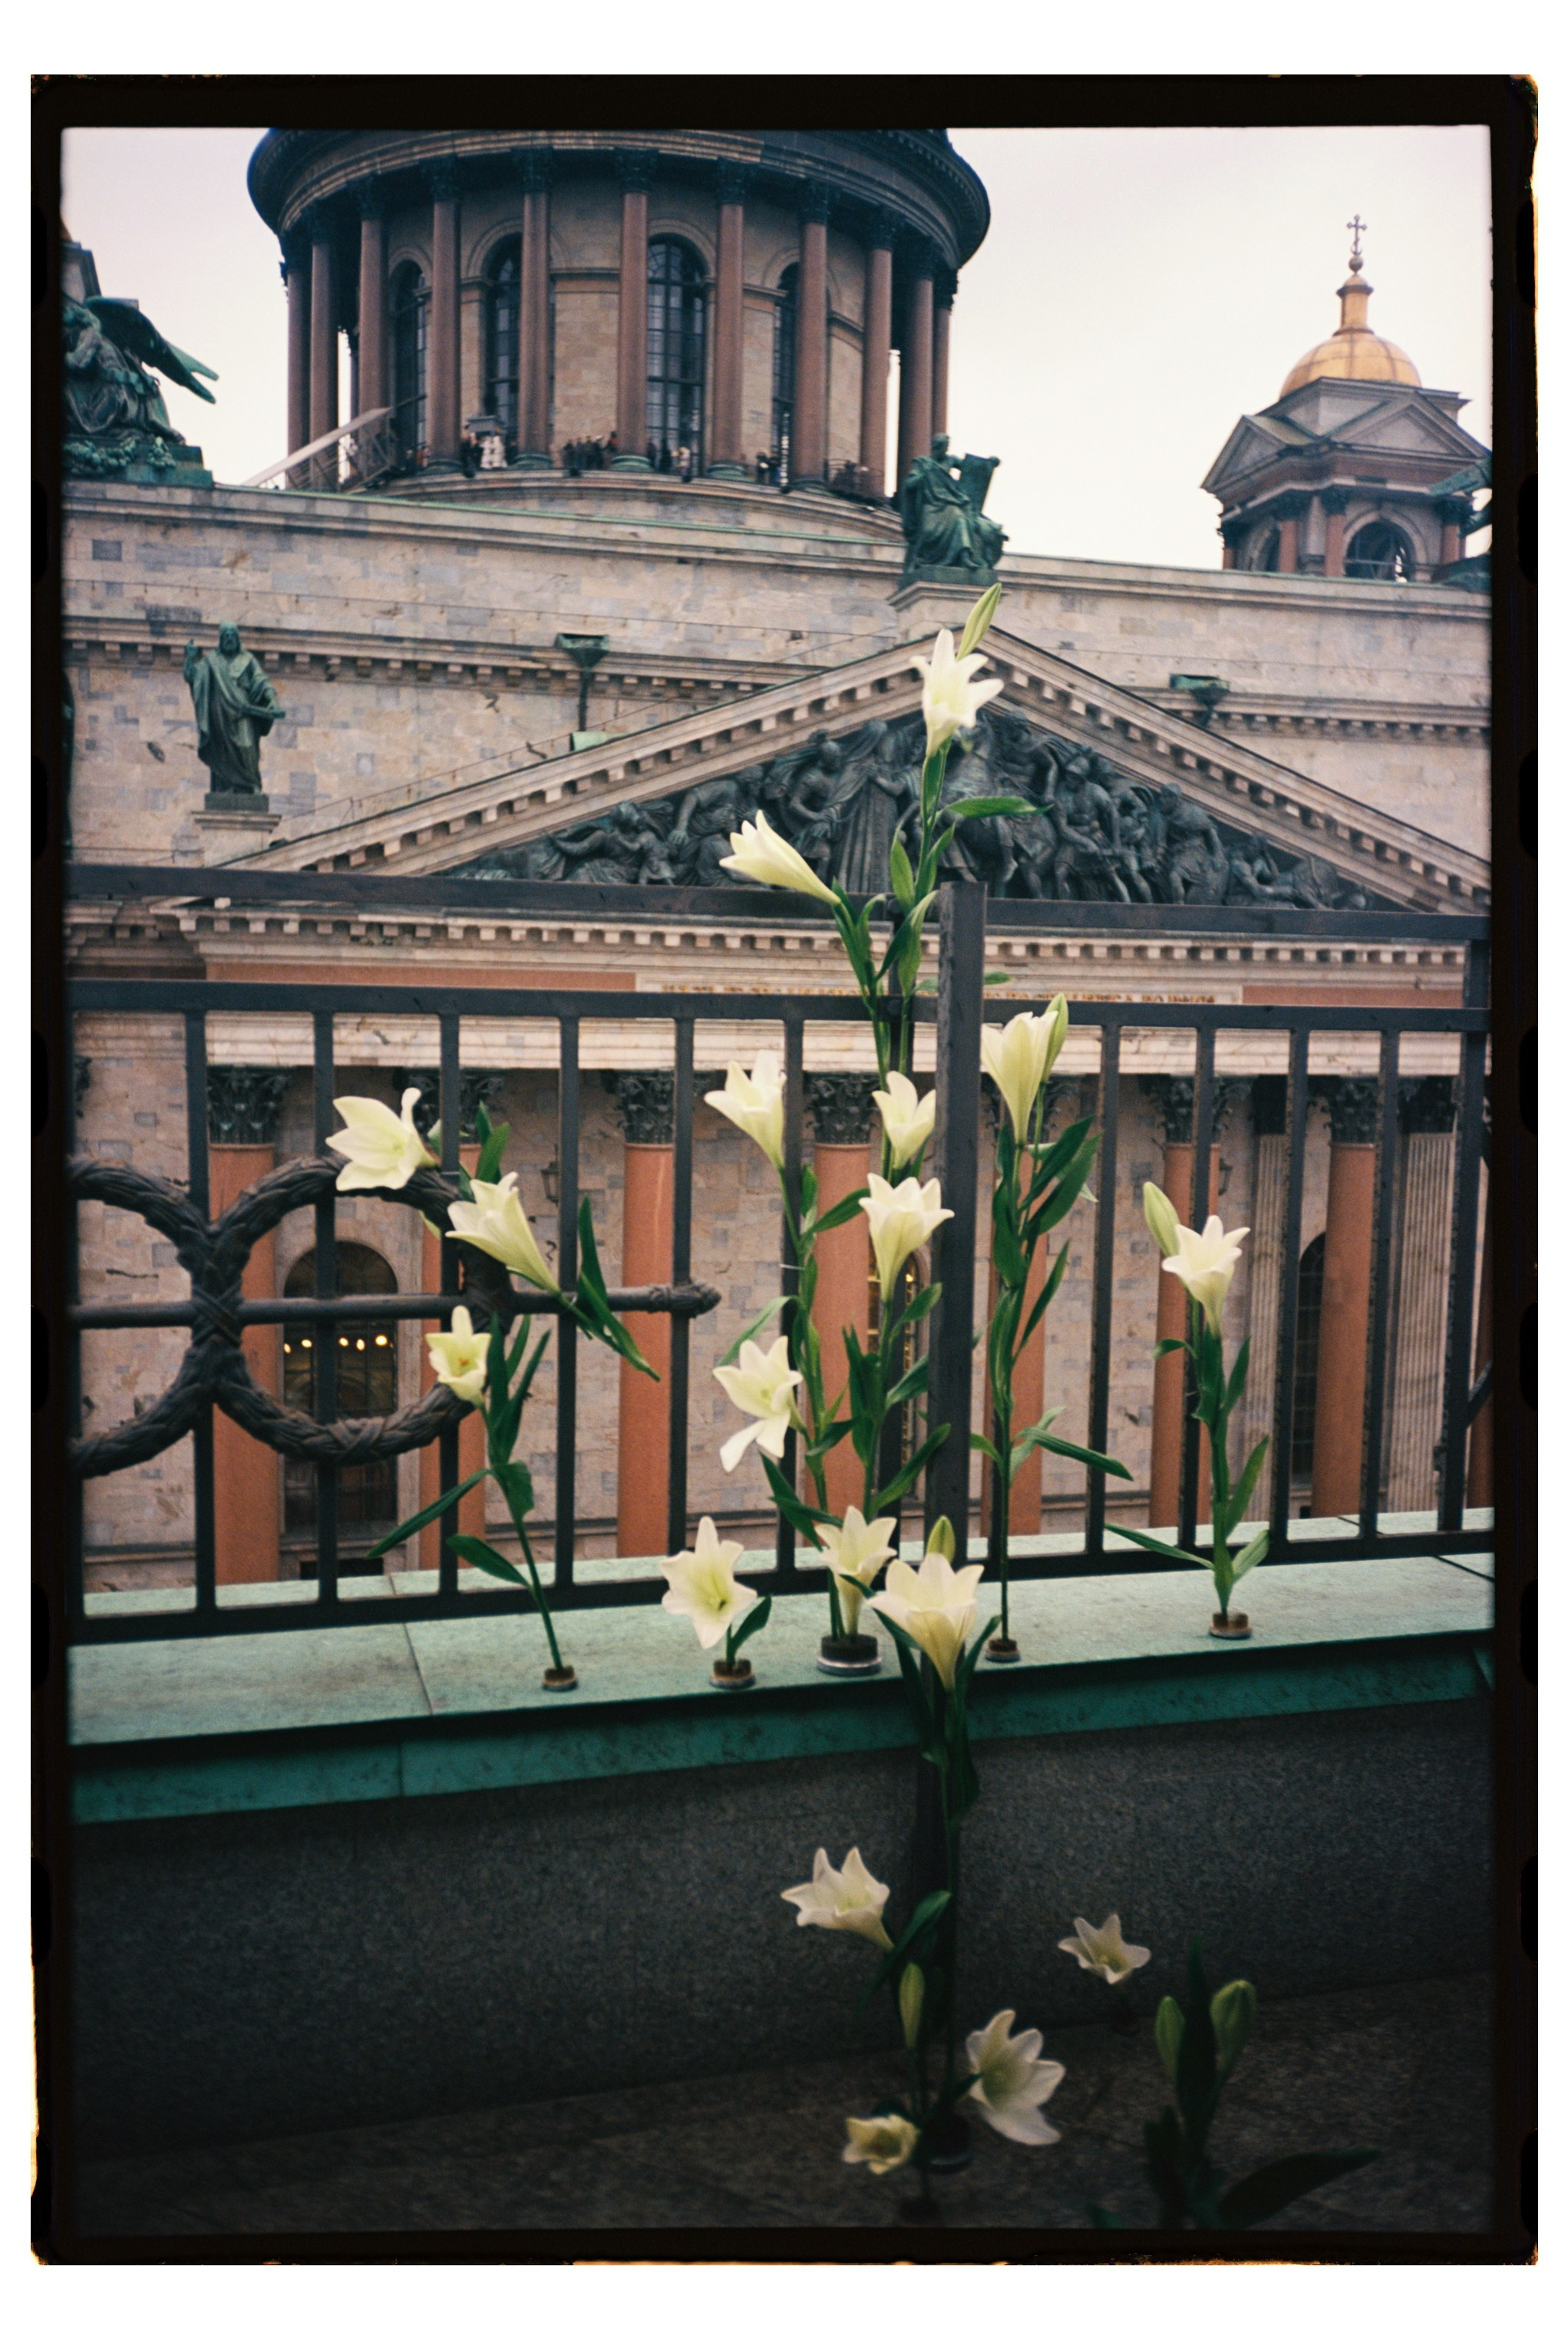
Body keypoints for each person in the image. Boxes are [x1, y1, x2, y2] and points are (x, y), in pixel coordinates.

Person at [183, 626, 287, 797]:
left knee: (247, 747)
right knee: (223, 752)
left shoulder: (247, 659)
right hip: (220, 715)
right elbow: (194, 678)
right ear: (221, 640)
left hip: (244, 712)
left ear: (238, 639)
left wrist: (273, 702)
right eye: (226, 636)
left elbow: (262, 681)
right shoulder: (212, 660)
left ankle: (253, 786)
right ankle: (226, 786)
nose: (230, 639)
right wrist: (190, 659)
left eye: (233, 636)